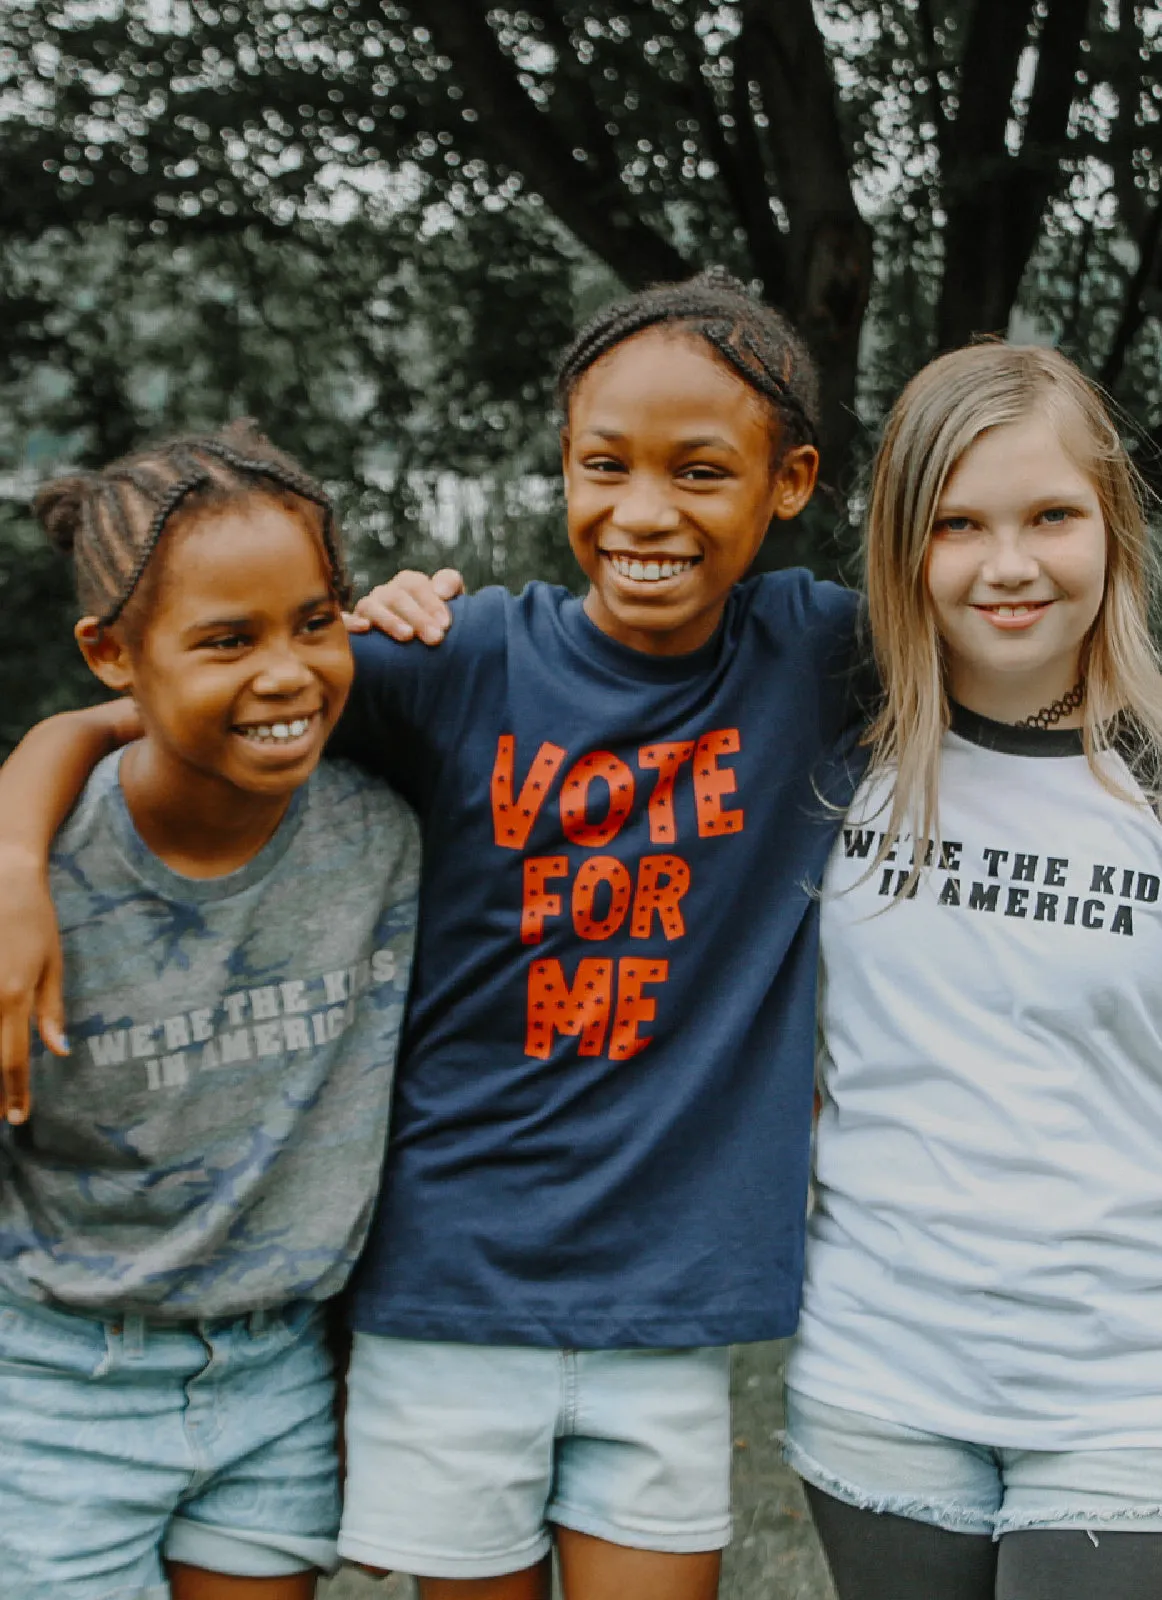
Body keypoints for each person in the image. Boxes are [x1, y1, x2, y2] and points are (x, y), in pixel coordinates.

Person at [0, 272, 867, 1600]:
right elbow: (159, 706)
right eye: (604, 465)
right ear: (563, 466)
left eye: (699, 471)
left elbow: (1040, 648)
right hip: (448, 1285)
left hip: (671, 1299)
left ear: (789, 481)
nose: (644, 512)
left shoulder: (817, 658)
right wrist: (14, 853)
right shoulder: (453, 659)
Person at [783, 343, 1162, 1599]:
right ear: (904, 547)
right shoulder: (834, 741)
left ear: (1113, 525)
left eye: (1050, 516)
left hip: (1135, 1389)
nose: (1007, 565)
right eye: (957, 523)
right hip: (879, 1385)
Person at [0, 421, 421, 1600]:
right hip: (53, 1383)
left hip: (274, 1375)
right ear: (111, 654)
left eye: (314, 621)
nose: (286, 672)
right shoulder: (38, 892)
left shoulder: (385, 833)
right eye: (227, 640)